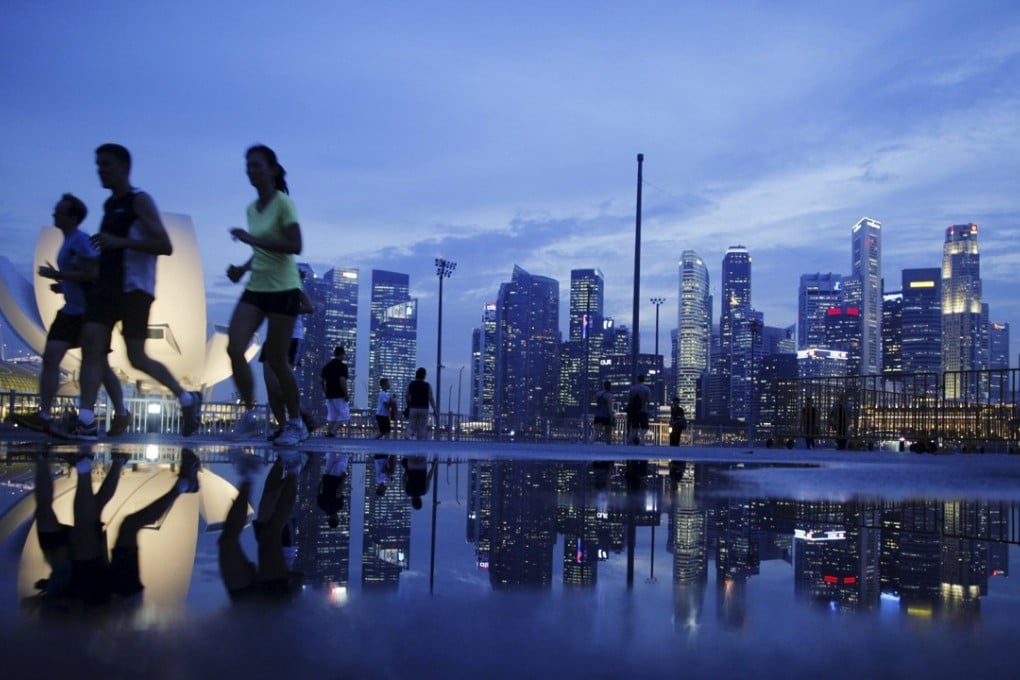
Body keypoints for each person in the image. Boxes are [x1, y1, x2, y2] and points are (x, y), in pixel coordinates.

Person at [64, 144, 201, 440]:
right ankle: (86, 419)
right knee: (92, 346)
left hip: (134, 289)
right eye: (98, 163)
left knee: (137, 357)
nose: (101, 169)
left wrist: (120, 242)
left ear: (124, 167)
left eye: (107, 164)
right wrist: (90, 261)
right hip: (106, 287)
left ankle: (186, 397)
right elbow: (112, 250)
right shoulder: (110, 206)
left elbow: (164, 245)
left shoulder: (140, 201)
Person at [12, 194, 130, 437]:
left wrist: (60, 277)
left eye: (59, 210)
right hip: (70, 311)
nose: (55, 213)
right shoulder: (68, 242)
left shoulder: (80, 241)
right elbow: (81, 275)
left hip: (90, 313)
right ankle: (43, 414)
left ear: (72, 216)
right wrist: (63, 285)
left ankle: (120, 412)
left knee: (100, 366)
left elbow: (94, 272)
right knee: (51, 356)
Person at [225, 144, 307, 447]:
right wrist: (242, 268)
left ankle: (296, 423)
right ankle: (249, 414)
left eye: (257, 165)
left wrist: (251, 239)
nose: (251, 170)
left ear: (272, 170)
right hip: (257, 285)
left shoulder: (284, 204)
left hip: (284, 287)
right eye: (248, 165)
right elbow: (261, 248)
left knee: (276, 359)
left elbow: (295, 246)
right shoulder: (251, 208)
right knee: (234, 348)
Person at [220, 451, 304, 604]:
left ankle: (248, 473)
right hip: (272, 605)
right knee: (269, 533)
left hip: (247, 610)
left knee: (226, 542)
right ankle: (293, 468)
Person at [321, 346, 350, 437]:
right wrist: (346, 394)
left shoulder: (327, 366)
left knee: (332, 415)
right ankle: (332, 432)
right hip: (339, 394)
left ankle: (328, 432)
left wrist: (325, 391)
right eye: (343, 354)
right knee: (345, 415)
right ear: (341, 354)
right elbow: (342, 380)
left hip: (329, 395)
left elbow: (321, 381)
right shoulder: (342, 366)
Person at [317, 452, 349, 528]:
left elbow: (338, 493)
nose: (339, 518)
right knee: (330, 455)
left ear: (335, 519)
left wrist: (343, 479)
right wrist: (322, 479)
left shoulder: (338, 507)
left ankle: (342, 440)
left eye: (338, 519)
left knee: (343, 455)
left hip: (336, 477)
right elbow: (318, 491)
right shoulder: (321, 506)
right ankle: (329, 440)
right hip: (327, 477)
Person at [405, 367, 438, 440]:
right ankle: (420, 443)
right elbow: (431, 398)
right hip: (424, 408)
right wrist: (435, 410)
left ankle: (407, 437)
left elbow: (406, 395)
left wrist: (408, 405)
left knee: (411, 425)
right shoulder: (427, 385)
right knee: (422, 427)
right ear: (424, 375)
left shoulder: (411, 384)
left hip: (413, 407)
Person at [625, 374, 652, 445]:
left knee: (634, 427)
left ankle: (632, 441)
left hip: (634, 411)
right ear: (644, 380)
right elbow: (648, 401)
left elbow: (629, 400)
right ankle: (641, 438)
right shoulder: (646, 389)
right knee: (645, 427)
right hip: (644, 410)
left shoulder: (632, 388)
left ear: (638, 379)